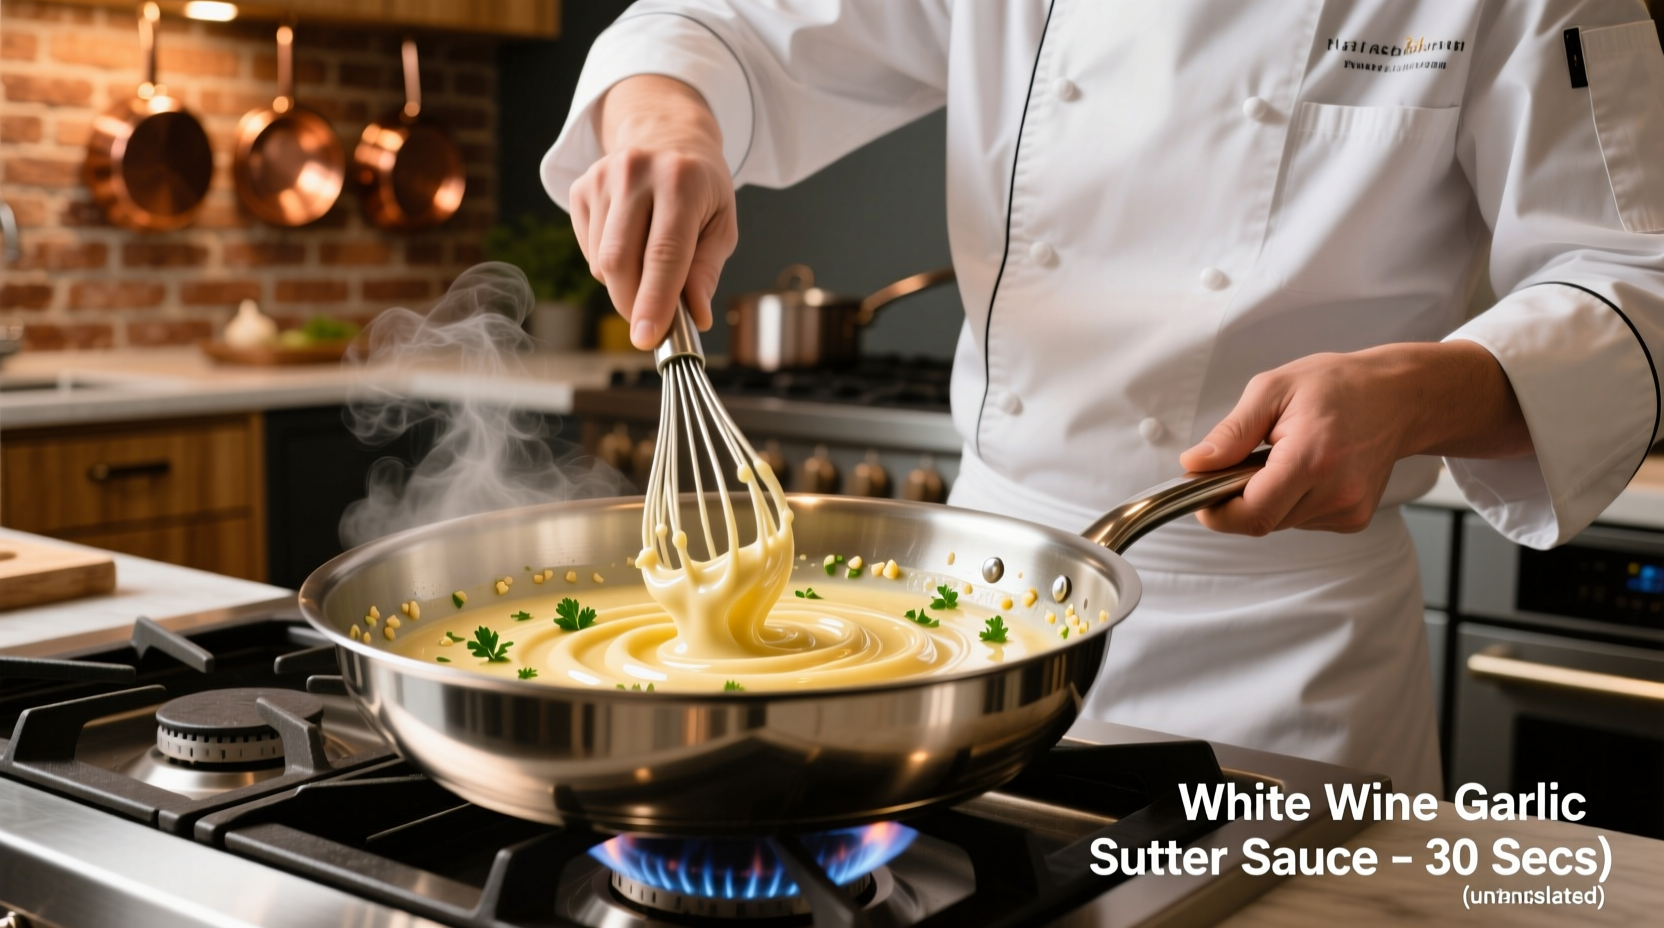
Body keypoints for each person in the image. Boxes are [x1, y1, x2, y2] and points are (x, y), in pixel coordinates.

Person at [541, 1, 1664, 795]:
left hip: (1284, 660)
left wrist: (1416, 391)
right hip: (976, 629)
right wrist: (667, 122)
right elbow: (719, 27)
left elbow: (1635, 276)